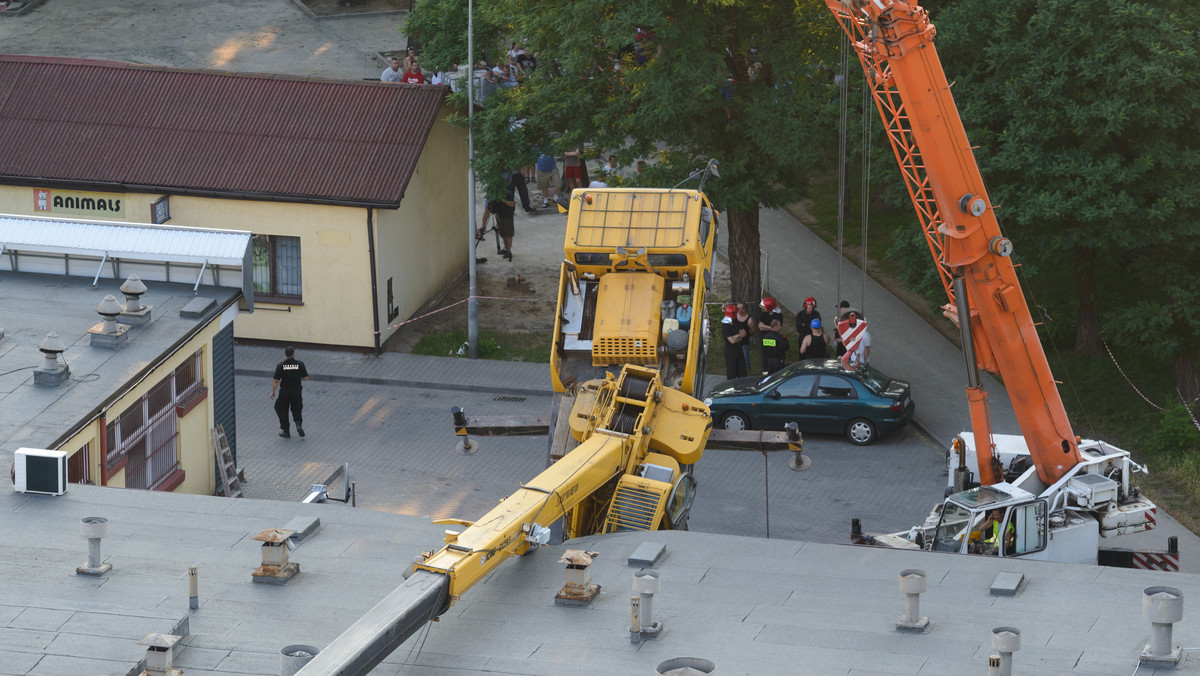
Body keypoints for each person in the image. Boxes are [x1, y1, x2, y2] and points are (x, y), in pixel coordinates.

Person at [271, 346, 308, 438]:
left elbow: (276, 380)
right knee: (297, 409)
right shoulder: (300, 364)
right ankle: (298, 424)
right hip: (296, 391)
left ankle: (286, 430)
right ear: (293, 354)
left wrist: (273, 391)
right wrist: (296, 377)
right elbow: (305, 377)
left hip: (285, 392)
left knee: (281, 409)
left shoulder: (281, 365)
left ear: (285, 354)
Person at [480, 189, 516, 261]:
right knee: (503, 233)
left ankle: (508, 251)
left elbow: (512, 204)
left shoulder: (507, 193)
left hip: (507, 216)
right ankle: (506, 249)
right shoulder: (492, 195)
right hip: (499, 216)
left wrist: (502, 200)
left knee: (508, 234)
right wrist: (483, 225)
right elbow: (487, 211)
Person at [757, 296, 785, 374]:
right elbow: (760, 327)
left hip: (774, 339)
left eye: (765, 307)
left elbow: (778, 328)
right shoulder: (763, 314)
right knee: (764, 355)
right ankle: (765, 371)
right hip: (765, 338)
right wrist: (772, 327)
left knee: (775, 354)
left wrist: (766, 327)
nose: (764, 309)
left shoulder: (778, 315)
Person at [721, 304, 747, 380]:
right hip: (730, 351)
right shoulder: (725, 325)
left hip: (739, 349)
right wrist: (740, 335)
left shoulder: (736, 321)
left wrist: (738, 336)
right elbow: (732, 341)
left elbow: (744, 333)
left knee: (742, 372)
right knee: (731, 372)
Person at [734, 302, 755, 374]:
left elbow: (752, 331)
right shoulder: (734, 316)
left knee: (745, 359)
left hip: (744, 343)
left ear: (744, 309)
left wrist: (746, 335)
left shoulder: (749, 319)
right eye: (737, 308)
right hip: (735, 342)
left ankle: (745, 371)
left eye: (740, 309)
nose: (738, 310)